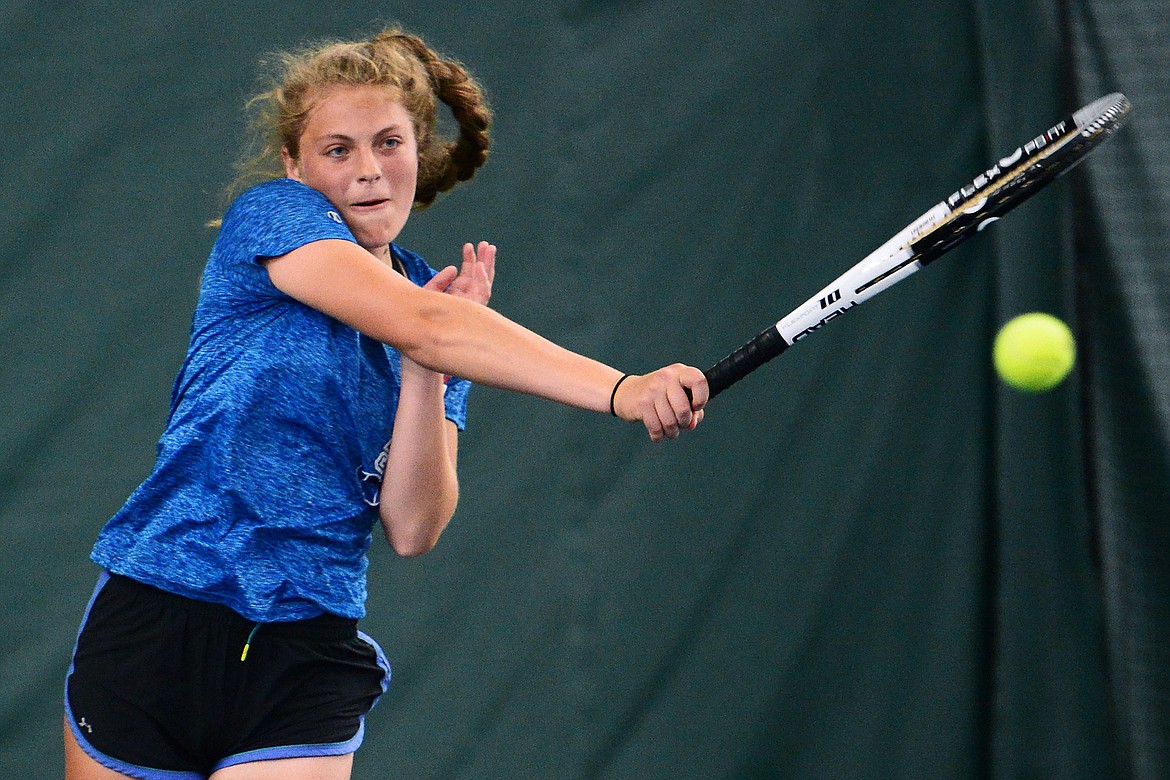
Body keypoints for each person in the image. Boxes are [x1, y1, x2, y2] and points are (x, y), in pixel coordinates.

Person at [63, 26, 708, 780]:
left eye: (389, 143)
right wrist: (624, 390)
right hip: (158, 617)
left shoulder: (440, 318)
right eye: (338, 150)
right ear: (295, 166)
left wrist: (423, 372)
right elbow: (430, 327)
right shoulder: (274, 219)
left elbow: (412, 526)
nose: (368, 171)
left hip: (304, 653)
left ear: (420, 150)